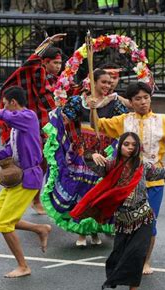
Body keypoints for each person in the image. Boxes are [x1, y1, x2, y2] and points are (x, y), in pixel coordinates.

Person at [90, 82, 165, 274]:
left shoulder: (162, 120)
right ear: (131, 102)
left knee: (149, 224)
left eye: (146, 98)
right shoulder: (123, 120)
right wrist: (94, 109)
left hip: (154, 181)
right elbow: (98, 125)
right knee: (125, 222)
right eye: (138, 99)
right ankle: (125, 257)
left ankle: (145, 261)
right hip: (126, 182)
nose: (143, 102)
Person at [71, 132, 165, 290]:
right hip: (122, 220)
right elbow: (89, 162)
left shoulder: (143, 166)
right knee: (119, 255)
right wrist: (91, 154)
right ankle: (118, 278)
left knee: (137, 254)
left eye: (133, 144)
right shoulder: (110, 165)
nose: (130, 147)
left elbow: (164, 172)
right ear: (120, 146)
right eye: (126, 144)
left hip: (143, 217)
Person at [0, 86, 52, 278]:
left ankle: (23, 266)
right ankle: (40, 229)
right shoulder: (17, 129)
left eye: (5, 104)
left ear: (13, 102)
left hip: (29, 179)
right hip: (17, 179)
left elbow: (6, 116)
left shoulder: (28, 117)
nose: (4, 107)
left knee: (5, 223)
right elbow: (6, 152)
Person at [42, 69, 129, 247]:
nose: (107, 85)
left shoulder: (114, 104)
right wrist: (59, 113)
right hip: (82, 151)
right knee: (80, 192)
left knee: (97, 193)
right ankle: (81, 233)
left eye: (109, 82)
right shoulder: (78, 101)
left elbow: (125, 124)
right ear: (93, 82)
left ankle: (95, 230)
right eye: (103, 82)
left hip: (104, 153)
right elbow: (65, 120)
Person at [0, 33, 67, 215]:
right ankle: (29, 199)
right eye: (54, 63)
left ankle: (41, 198)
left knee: (47, 163)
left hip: (49, 127)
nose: (58, 67)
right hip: (29, 127)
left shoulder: (61, 82)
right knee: (29, 164)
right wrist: (48, 42)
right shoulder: (36, 72)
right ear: (44, 63)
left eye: (60, 64)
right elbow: (31, 61)